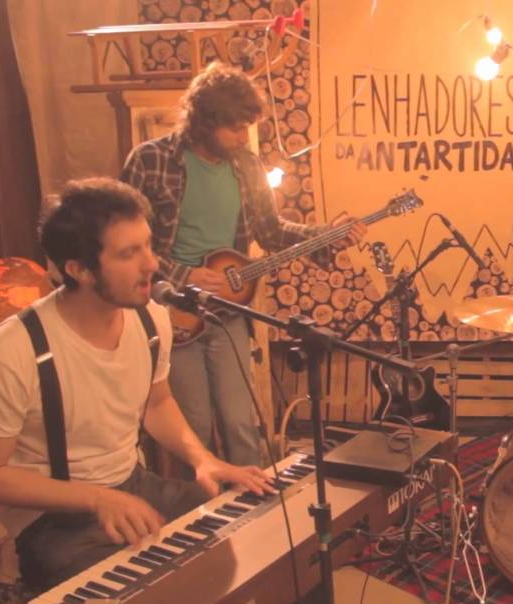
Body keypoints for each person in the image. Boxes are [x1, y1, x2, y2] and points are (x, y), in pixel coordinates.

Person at [0, 178, 274, 602]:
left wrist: (204, 460)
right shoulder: (9, 353)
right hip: (48, 517)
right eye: (129, 254)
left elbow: (157, 402)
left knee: (247, 532)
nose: (152, 264)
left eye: (148, 246)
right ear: (79, 269)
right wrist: (96, 499)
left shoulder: (152, 319)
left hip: (132, 484)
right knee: (151, 596)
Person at [121, 62, 364, 469]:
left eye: (246, 128)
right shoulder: (150, 160)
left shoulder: (247, 166)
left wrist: (325, 234)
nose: (242, 137)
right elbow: (123, 241)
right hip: (171, 314)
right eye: (234, 128)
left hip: (228, 312)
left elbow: (271, 231)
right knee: (194, 428)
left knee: (240, 425)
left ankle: (254, 503)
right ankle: (199, 507)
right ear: (204, 121)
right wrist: (183, 274)